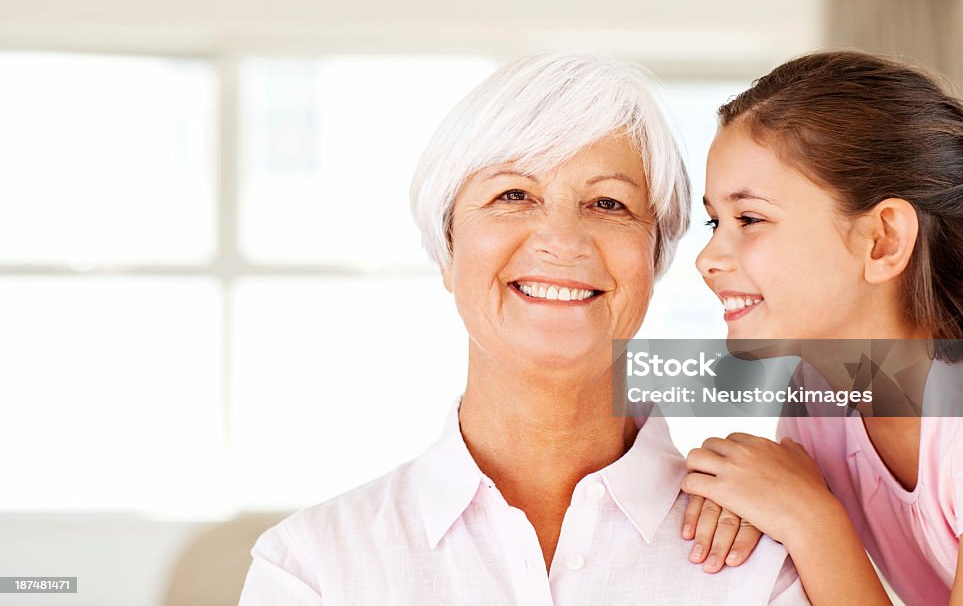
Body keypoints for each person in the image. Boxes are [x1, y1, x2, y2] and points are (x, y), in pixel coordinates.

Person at [238, 52, 808, 604]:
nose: (562, 240)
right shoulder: (312, 568)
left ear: (655, 258)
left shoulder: (766, 559)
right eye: (513, 195)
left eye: (609, 203)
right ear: (447, 250)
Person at [683, 51, 963, 605]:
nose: (708, 259)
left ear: (881, 240)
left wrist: (813, 522)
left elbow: (803, 517)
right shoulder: (820, 396)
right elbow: (779, 502)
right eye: (714, 221)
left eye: (750, 219)